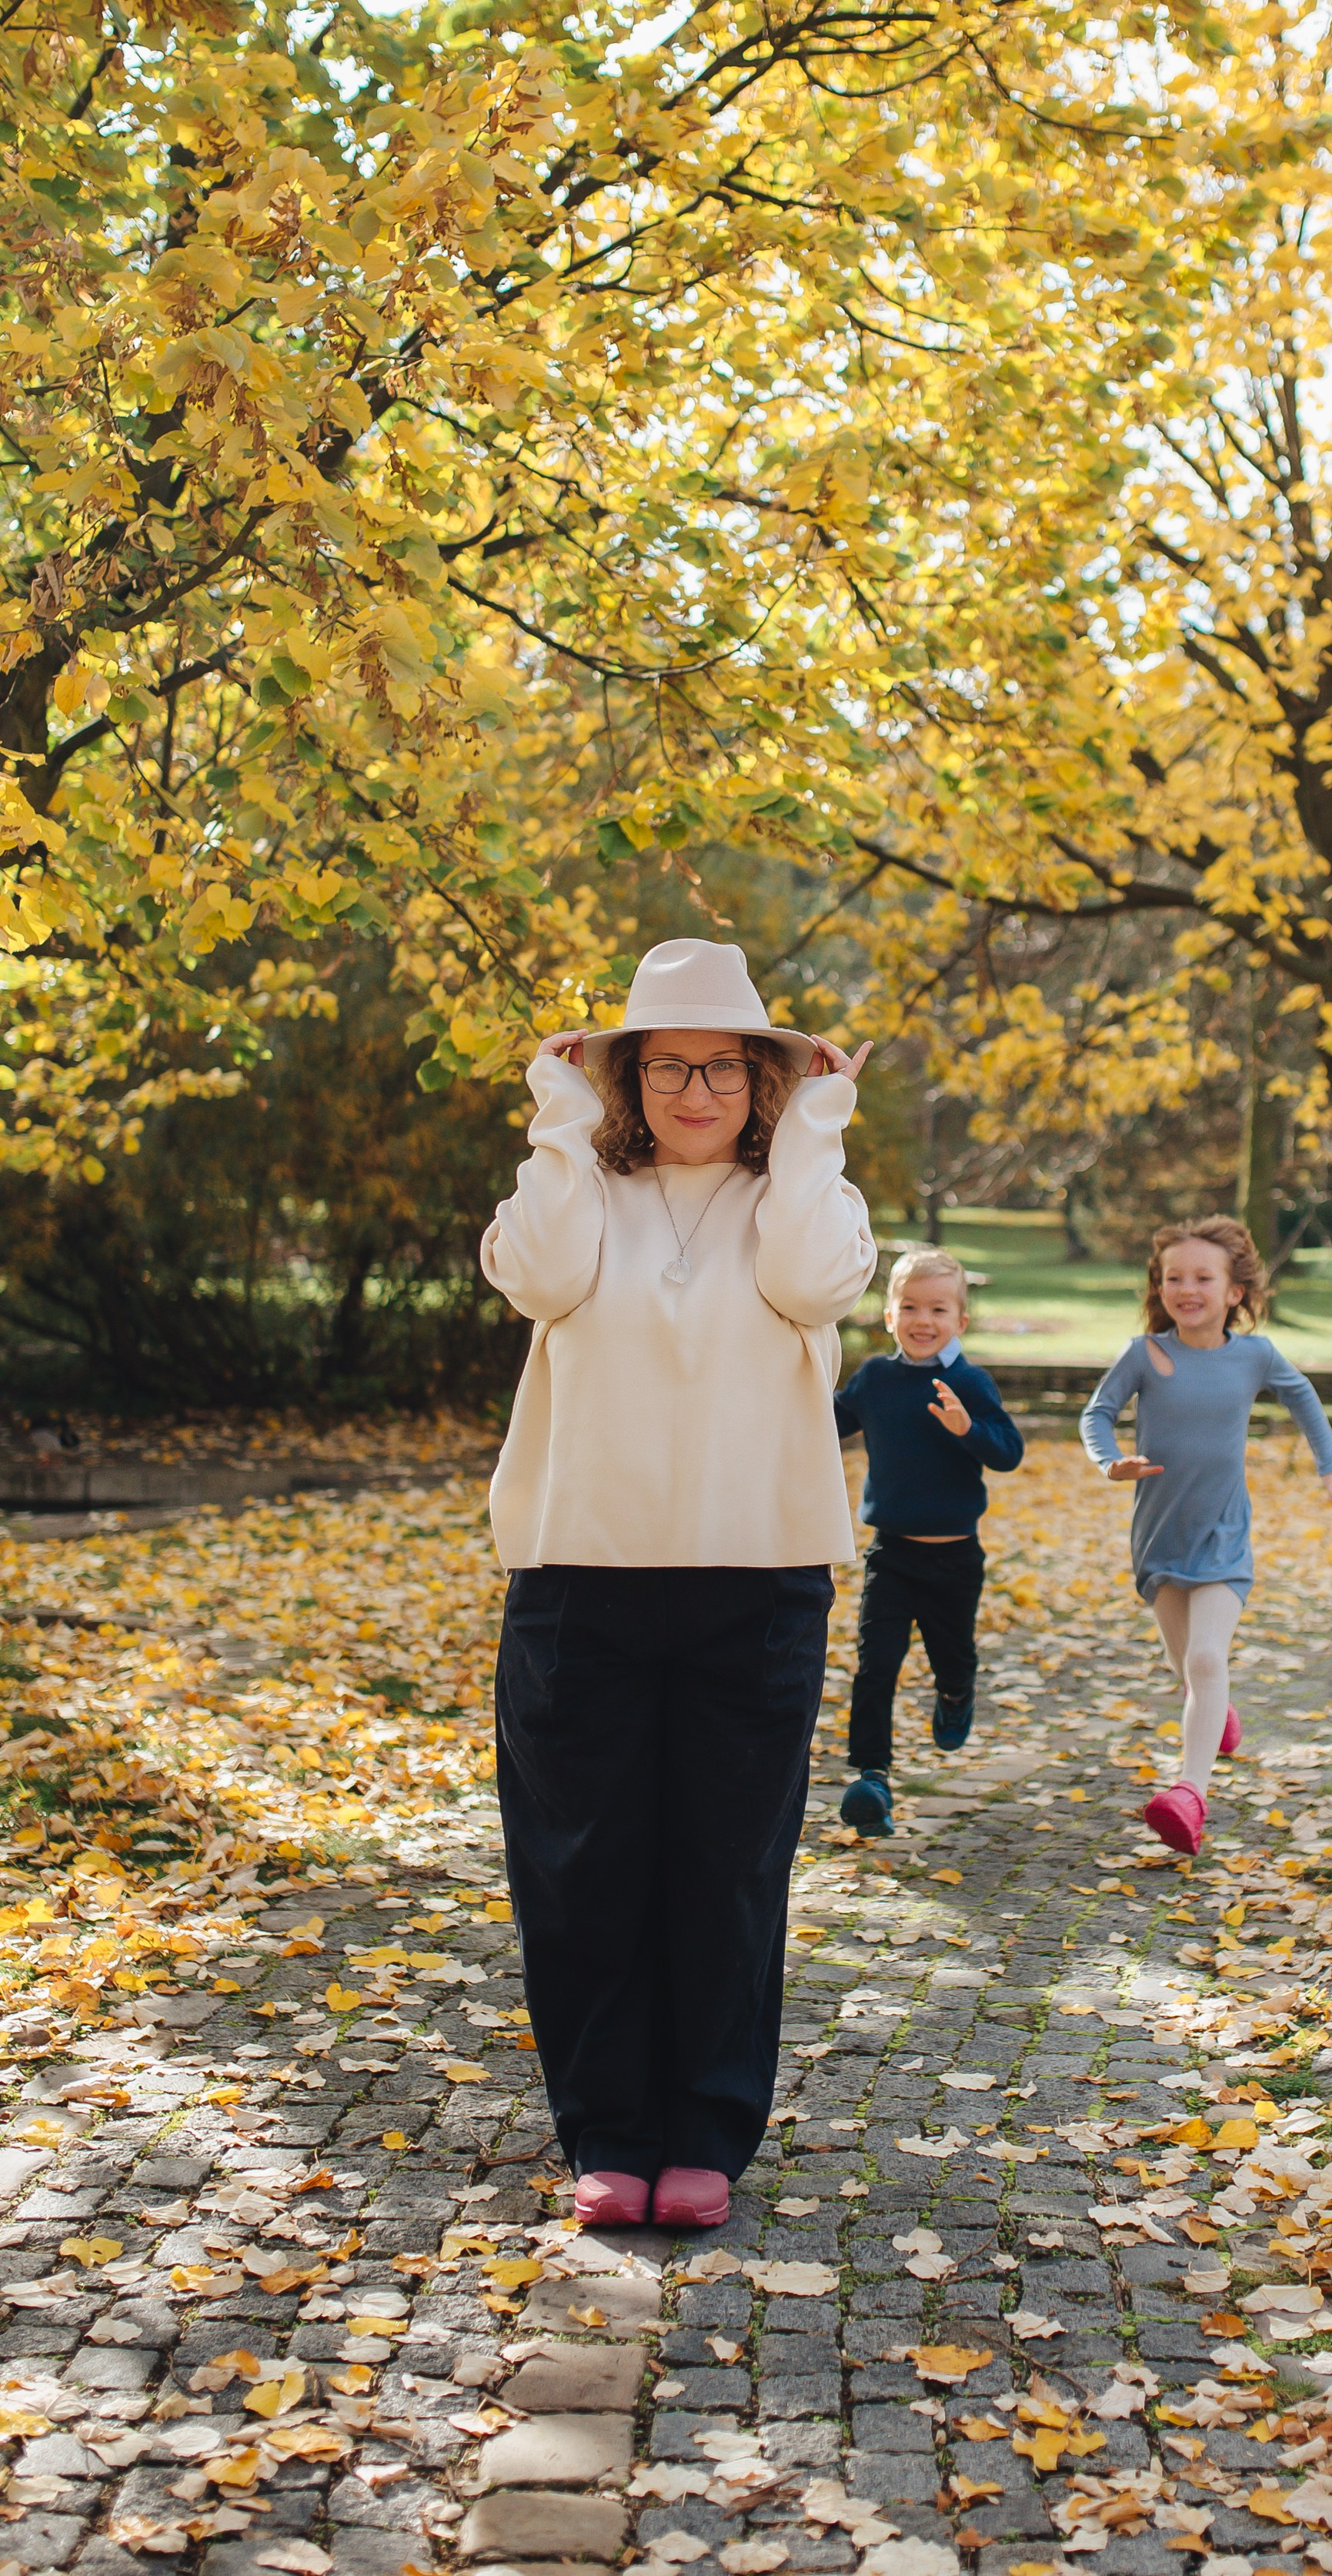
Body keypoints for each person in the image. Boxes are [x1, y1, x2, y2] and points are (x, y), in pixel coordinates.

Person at [479, 937, 876, 2232]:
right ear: (626, 1079)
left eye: (722, 1067)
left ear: (760, 1078)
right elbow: (538, 1277)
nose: (694, 1092)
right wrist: (556, 1121)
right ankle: (606, 2132)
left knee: (726, 1868)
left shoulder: (807, 1197)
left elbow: (809, 1283)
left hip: (756, 1581)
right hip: (579, 1576)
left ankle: (706, 2129)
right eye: (665, 1068)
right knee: (581, 1867)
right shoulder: (577, 1188)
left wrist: (816, 1128)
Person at [1079, 1214, 1332, 1858]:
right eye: (1173, 1278)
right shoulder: (1143, 1355)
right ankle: (1217, 1714)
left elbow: (1303, 1398)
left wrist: (1330, 1466)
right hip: (1159, 1537)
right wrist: (1110, 1461)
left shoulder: (1255, 1356)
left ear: (1235, 1292)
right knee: (1185, 1664)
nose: (1187, 1289)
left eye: (1202, 1278)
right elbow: (1096, 1413)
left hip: (1224, 1536)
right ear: (1160, 1287)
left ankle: (1190, 1794)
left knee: (1207, 1660)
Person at [831, 1248, 1024, 1835]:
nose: (923, 1320)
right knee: (875, 1665)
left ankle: (957, 1694)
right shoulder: (876, 1379)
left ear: (960, 1321)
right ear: (889, 1316)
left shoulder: (968, 1382)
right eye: (910, 1307)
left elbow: (1008, 1452)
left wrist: (968, 1428)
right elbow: (829, 1423)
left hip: (954, 1557)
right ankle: (872, 1776)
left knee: (952, 1656)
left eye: (938, 1309)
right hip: (891, 1553)